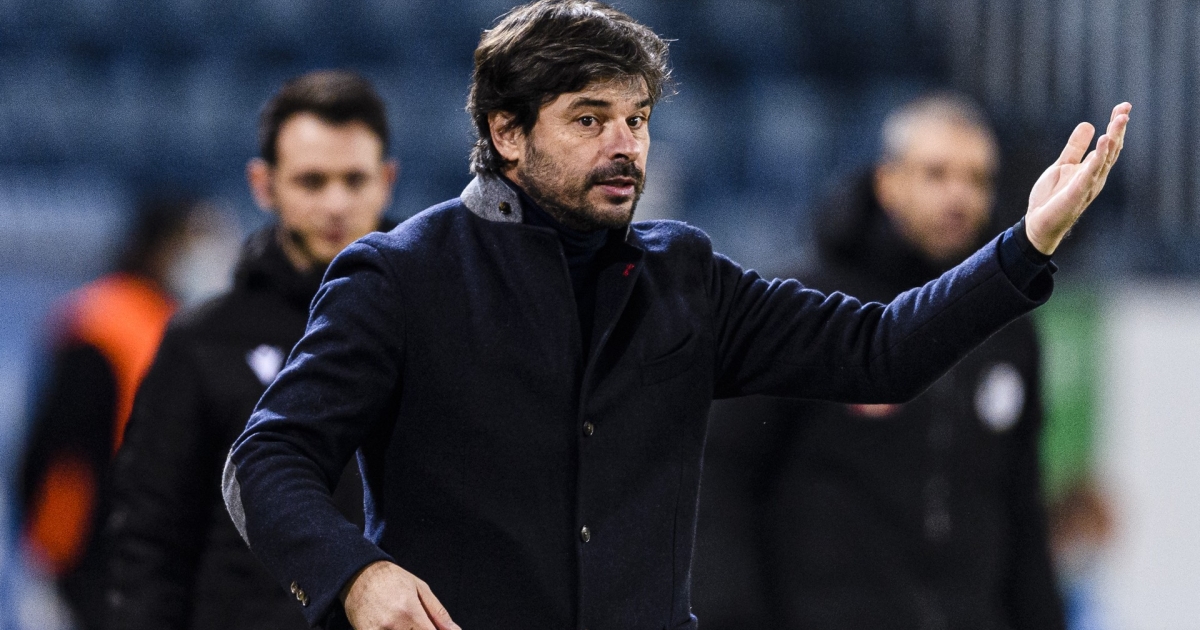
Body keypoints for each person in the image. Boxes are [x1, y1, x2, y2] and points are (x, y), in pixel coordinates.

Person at [221, 3, 1130, 629]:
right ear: (506, 133)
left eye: (638, 118)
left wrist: (1025, 245)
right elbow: (266, 459)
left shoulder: (684, 275)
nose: (625, 145)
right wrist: (355, 575)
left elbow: (879, 350)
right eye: (589, 120)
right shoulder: (398, 276)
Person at [694, 93, 1067, 630]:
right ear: (888, 183)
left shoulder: (1010, 332)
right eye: (936, 174)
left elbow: (1020, 503)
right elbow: (724, 472)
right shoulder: (807, 306)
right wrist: (732, 617)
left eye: (977, 179)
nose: (958, 196)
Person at [105, 70, 397, 630]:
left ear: (386, 181)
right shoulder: (201, 341)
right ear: (264, 185)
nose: (336, 203)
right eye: (312, 181)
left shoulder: (433, 323)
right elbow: (151, 539)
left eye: (354, 180)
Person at [18, 196, 204, 629]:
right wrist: (58, 557)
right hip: (92, 557)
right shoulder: (103, 321)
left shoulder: (174, 320)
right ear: (162, 246)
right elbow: (57, 450)